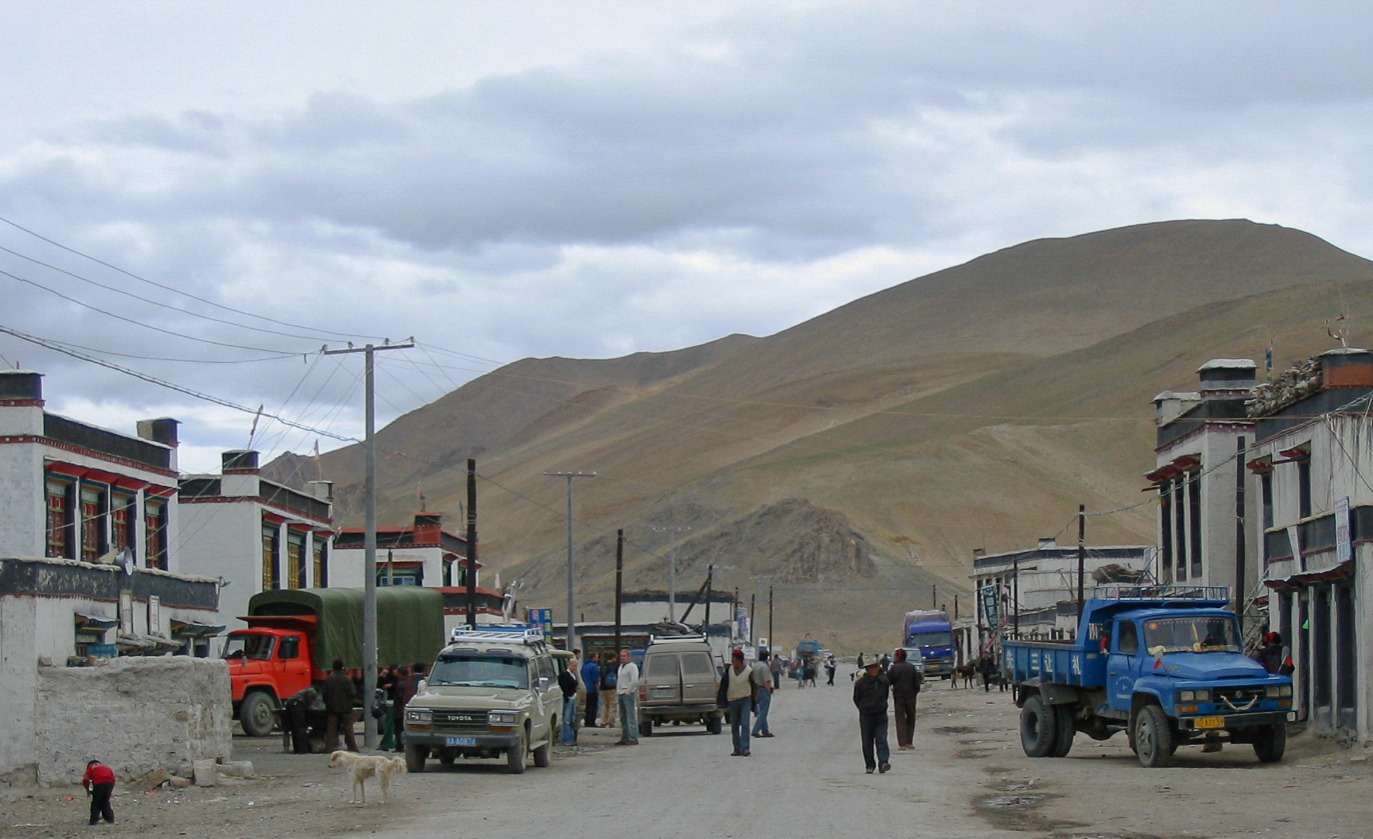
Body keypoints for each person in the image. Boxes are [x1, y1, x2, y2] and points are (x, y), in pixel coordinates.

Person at [852, 658, 891, 774]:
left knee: (881, 739)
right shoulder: (860, 684)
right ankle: (869, 765)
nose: (874, 670)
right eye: (871, 668)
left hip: (881, 715)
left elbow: (886, 695)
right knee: (867, 741)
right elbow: (856, 699)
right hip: (866, 716)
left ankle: (883, 762)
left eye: (876, 667)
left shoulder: (883, 681)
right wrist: (864, 708)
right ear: (867, 669)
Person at [723, 649, 759, 756]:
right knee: (734, 725)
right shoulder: (729, 670)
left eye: (734, 659)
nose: (732, 661)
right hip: (732, 700)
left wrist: (755, 701)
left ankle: (745, 748)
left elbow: (754, 686)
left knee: (745, 723)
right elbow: (724, 685)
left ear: (739, 660)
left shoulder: (748, 671)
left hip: (745, 700)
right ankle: (736, 748)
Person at [887, 648, 921, 750]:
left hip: (899, 698)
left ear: (897, 657)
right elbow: (917, 684)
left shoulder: (894, 668)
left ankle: (902, 743)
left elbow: (888, 681)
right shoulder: (911, 667)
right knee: (911, 719)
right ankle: (909, 742)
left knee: (900, 720)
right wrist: (914, 693)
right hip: (911, 697)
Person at [323, 658, 359, 752]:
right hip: (346, 708)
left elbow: (324, 694)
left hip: (332, 709)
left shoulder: (329, 679)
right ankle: (353, 748)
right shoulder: (347, 679)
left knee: (331, 729)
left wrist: (328, 703)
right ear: (342, 667)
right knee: (348, 729)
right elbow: (353, 692)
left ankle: (329, 749)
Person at [285, 685, 320, 754]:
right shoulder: (312, 691)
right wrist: (311, 707)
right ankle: (303, 750)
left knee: (294, 728)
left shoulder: (305, 690)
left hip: (290, 704)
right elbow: (309, 700)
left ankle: (297, 749)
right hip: (297, 704)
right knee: (300, 728)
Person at [615, 649, 640, 745]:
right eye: (621, 656)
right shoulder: (621, 667)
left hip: (627, 694)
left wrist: (628, 691)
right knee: (623, 716)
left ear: (629, 657)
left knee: (630, 716)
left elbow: (634, 681)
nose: (622, 658)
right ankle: (625, 737)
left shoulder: (632, 667)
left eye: (624, 656)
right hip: (620, 693)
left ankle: (633, 737)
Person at [82, 759, 116, 825]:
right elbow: (113, 777)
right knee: (105, 800)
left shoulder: (91, 767)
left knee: (96, 802)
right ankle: (109, 818)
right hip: (110, 783)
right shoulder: (106, 767)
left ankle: (93, 820)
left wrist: (87, 789)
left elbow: (85, 779)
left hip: (99, 783)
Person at [752, 649, 776, 739]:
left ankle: (765, 730)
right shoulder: (764, 667)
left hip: (756, 689)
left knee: (761, 710)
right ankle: (755, 730)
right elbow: (767, 681)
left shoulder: (755, 666)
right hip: (763, 689)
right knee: (763, 712)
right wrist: (769, 690)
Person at [558, 654, 579, 745]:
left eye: (576, 666)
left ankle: (571, 738)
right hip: (569, 698)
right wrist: (566, 697)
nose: (575, 668)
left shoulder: (573, 675)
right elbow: (565, 687)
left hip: (573, 698)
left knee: (571, 719)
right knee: (566, 720)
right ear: (569, 665)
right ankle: (566, 739)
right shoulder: (565, 675)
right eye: (573, 666)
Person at [581, 650, 601, 727]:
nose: (598, 659)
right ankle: (592, 722)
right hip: (592, 689)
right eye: (597, 657)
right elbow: (595, 679)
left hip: (585, 688)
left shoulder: (584, 665)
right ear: (593, 658)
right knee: (593, 706)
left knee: (587, 706)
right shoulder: (594, 666)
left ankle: (587, 721)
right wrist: (597, 689)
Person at [599, 652, 619, 728]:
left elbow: (601, 676)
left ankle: (603, 721)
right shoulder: (614, 666)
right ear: (613, 658)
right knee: (612, 705)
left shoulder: (603, 666)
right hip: (611, 688)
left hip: (603, 688)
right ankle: (610, 721)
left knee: (605, 705)